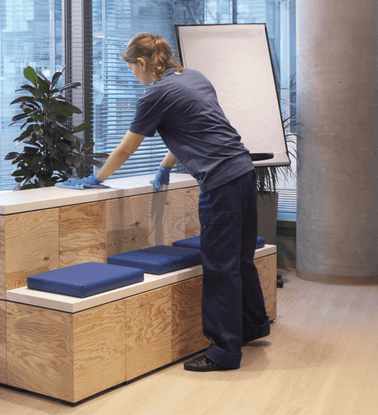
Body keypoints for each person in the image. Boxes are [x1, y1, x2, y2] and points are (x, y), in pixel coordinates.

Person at [58, 33, 270, 372]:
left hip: (220, 182)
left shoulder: (155, 93)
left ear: (142, 63)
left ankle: (224, 352)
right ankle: (253, 326)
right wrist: (164, 166)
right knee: (241, 260)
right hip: (243, 171)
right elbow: (197, 129)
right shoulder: (194, 76)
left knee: (219, 267)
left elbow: (127, 148)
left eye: (131, 69)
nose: (133, 76)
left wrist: (95, 179)